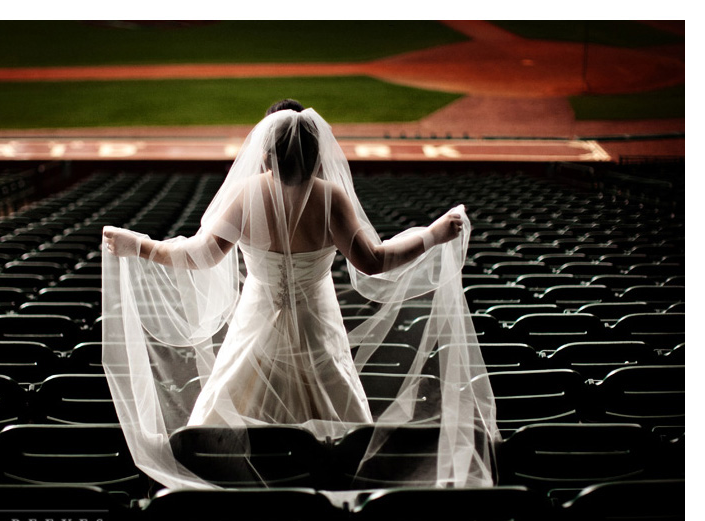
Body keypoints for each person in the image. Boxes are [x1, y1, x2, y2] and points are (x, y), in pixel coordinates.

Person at [101, 101, 499, 490]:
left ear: (265, 155)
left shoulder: (246, 195)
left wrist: (139, 244)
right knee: (332, 400)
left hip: (256, 318)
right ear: (317, 155)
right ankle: (331, 478)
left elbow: (199, 255)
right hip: (317, 320)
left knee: (235, 398)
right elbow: (375, 261)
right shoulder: (331, 199)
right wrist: (433, 234)